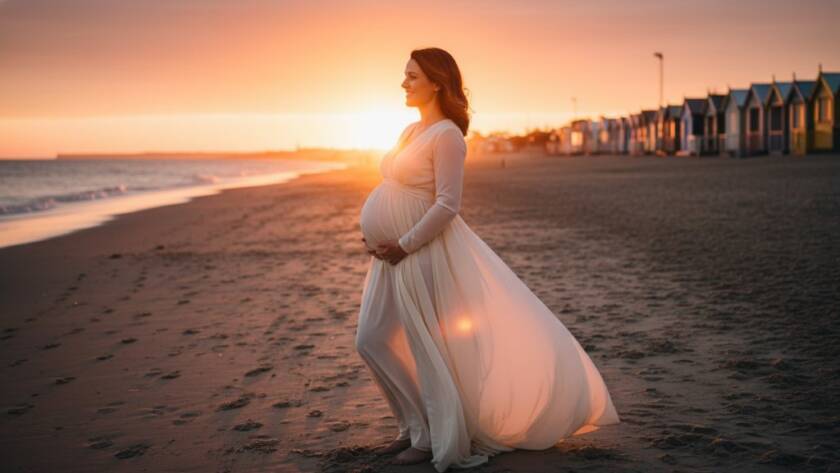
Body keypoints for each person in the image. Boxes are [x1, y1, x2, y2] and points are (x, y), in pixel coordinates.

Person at [356, 47, 620, 472]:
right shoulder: (409, 130)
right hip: (387, 256)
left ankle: (426, 438)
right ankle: (413, 426)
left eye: (412, 76)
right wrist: (373, 229)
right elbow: (393, 186)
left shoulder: (447, 136)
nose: (403, 83)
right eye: (404, 76)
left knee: (425, 346)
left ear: (437, 83)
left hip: (417, 251)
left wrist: (403, 242)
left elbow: (447, 205)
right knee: (370, 339)